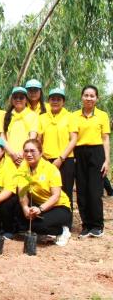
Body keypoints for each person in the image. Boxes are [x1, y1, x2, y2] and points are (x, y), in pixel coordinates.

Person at [17, 139, 72, 246]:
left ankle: (62, 230)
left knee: (39, 226)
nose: (28, 154)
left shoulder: (51, 169)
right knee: (17, 214)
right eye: (26, 151)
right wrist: (25, 208)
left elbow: (56, 196)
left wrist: (40, 209)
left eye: (32, 151)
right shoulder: (23, 167)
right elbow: (22, 191)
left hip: (58, 206)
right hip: (37, 205)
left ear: (41, 152)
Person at [72, 85, 110, 238]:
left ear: (97, 98)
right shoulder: (74, 116)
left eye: (92, 95)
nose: (89, 98)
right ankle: (86, 225)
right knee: (81, 191)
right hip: (79, 153)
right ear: (81, 97)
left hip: (97, 152)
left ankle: (97, 225)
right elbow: (72, 138)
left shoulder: (102, 115)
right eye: (86, 95)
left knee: (94, 191)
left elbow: (105, 139)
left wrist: (107, 160)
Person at [38, 88, 77, 211]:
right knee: (47, 190)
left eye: (58, 99)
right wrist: (42, 156)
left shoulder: (70, 116)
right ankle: (52, 219)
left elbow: (73, 139)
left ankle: (66, 223)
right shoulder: (42, 117)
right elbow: (39, 139)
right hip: (46, 160)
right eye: (52, 99)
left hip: (66, 160)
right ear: (48, 101)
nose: (55, 101)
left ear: (63, 102)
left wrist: (61, 158)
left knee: (66, 191)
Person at [2, 87, 39, 166]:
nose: (18, 100)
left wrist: (22, 153)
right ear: (12, 100)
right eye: (15, 97)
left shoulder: (33, 115)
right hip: (9, 157)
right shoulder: (6, 116)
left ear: (26, 100)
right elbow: (2, 138)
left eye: (21, 97)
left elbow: (32, 137)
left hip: (26, 157)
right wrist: (12, 154)